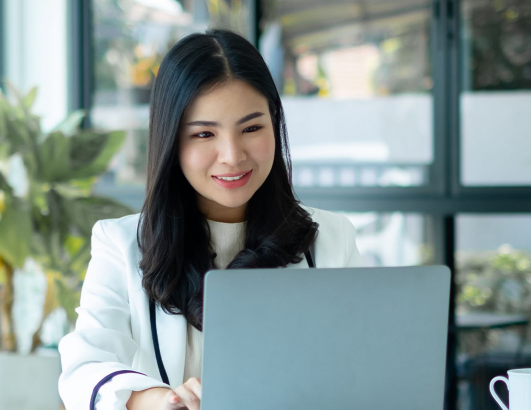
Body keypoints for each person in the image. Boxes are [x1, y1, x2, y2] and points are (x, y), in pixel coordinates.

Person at [57, 29, 365, 410]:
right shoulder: (120, 244)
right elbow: (84, 367)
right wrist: (158, 400)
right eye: (204, 134)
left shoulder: (331, 239)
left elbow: (357, 374)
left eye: (252, 128)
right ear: (172, 141)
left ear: (275, 123)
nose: (232, 156)